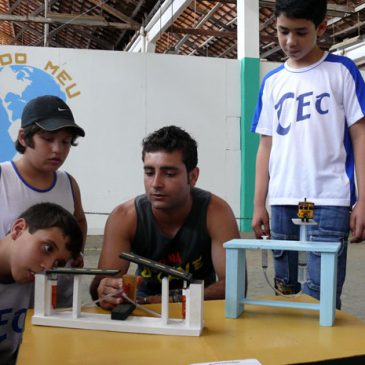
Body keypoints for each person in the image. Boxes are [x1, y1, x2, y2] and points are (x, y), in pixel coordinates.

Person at [251, 0, 365, 309]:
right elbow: (266, 145)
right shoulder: (272, 82)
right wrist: (258, 203)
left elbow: (360, 136)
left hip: (330, 200)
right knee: (285, 293)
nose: (290, 41)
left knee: (322, 298)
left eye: (301, 32)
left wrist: (363, 201)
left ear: (321, 28)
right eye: (282, 32)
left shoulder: (342, 72)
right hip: (282, 200)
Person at [90, 125, 240, 308]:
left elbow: (235, 287)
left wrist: (167, 300)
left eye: (169, 174)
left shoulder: (216, 213)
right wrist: (106, 290)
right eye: (149, 172)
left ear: (193, 177)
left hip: (200, 307)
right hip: (145, 307)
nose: (156, 184)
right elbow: (98, 287)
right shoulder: (124, 217)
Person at [0, 95, 87, 307]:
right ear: (23, 137)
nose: (57, 149)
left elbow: (80, 221)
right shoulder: (3, 177)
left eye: (65, 141)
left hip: (53, 299)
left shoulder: (68, 183)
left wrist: (76, 252)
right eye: (48, 139)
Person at [0, 202, 83, 365]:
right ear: (18, 229)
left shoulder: (46, 283)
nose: (47, 267)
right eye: (47, 248)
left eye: (58, 263)